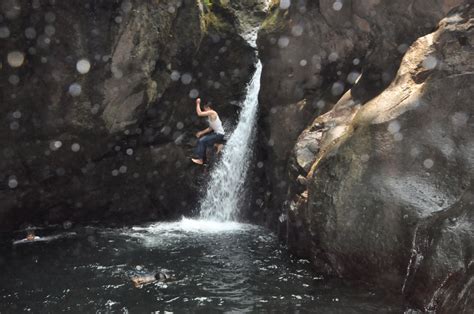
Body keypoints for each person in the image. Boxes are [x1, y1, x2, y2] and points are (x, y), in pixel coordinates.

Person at [191, 98, 225, 165]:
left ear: (208, 108)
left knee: (201, 141)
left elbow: (199, 113)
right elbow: (210, 128)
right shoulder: (210, 116)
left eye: (205, 109)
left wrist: (197, 103)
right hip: (218, 134)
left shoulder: (212, 112)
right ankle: (217, 146)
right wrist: (201, 132)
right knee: (204, 143)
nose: (204, 111)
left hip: (219, 134)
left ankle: (200, 160)